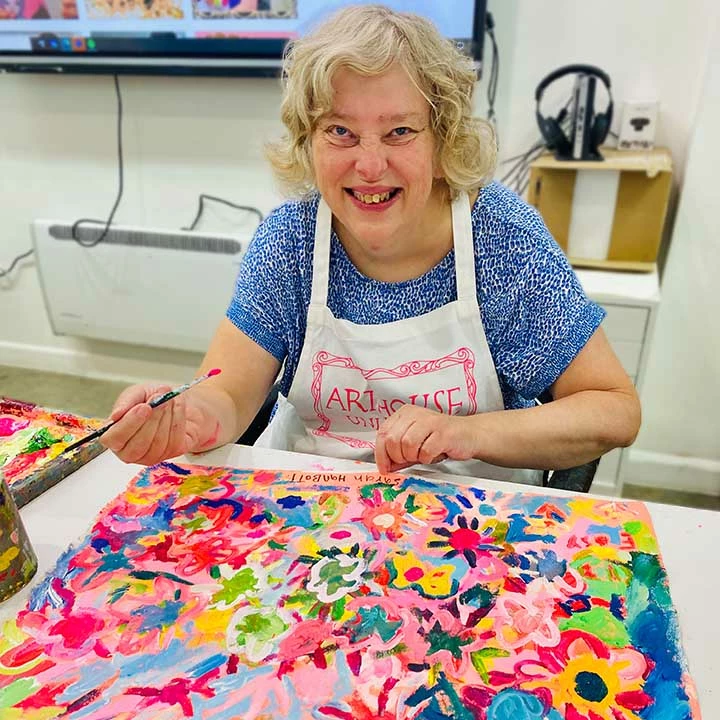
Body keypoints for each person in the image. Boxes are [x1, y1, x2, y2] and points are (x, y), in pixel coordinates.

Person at [101, 4, 640, 485]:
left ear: (443, 140)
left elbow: (614, 410)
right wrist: (186, 418)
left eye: (400, 131)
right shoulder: (290, 239)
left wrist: (466, 433)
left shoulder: (500, 237)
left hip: (470, 517)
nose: (370, 165)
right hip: (311, 509)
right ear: (308, 141)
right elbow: (229, 393)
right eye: (340, 131)